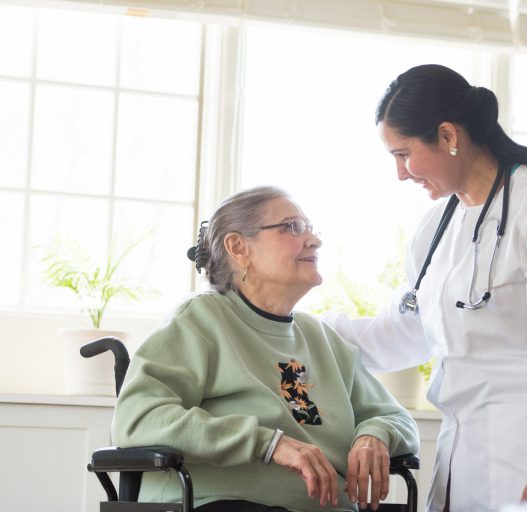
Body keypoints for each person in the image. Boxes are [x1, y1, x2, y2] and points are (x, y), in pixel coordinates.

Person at [323, 64, 527, 511]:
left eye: (404, 154)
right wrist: (295, 329)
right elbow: (405, 332)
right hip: (462, 451)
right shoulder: (437, 227)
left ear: (448, 136)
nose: (401, 174)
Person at [111, 186, 419, 512]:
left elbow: (393, 416)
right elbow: (138, 417)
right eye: (292, 227)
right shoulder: (200, 320)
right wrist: (268, 444)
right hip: (217, 503)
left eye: (311, 229)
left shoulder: (322, 338)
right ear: (238, 247)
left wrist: (373, 436)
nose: (314, 240)